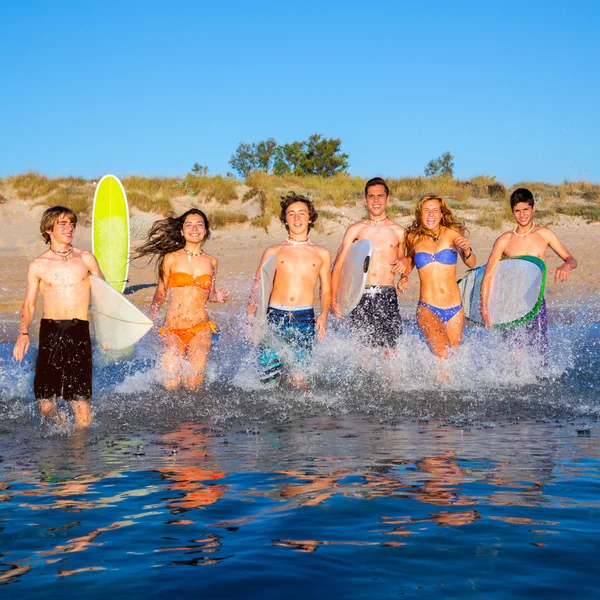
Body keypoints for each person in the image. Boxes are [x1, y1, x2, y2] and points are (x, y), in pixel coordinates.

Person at [13, 206, 105, 427]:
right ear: (48, 229)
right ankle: (58, 425)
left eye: (72, 223)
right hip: (51, 332)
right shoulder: (38, 265)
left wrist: (107, 333)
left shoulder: (86, 258)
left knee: (81, 403)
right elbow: (29, 303)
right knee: (45, 404)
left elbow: (105, 297)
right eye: (62, 223)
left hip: (79, 331)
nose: (69, 227)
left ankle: (81, 455)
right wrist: (23, 333)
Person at [133, 209, 227, 391]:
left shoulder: (211, 261)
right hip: (173, 329)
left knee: (193, 385)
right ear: (182, 231)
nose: (195, 228)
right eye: (189, 225)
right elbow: (161, 291)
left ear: (206, 231)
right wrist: (151, 314)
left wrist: (218, 297)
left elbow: (209, 294)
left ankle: (195, 419)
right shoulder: (171, 258)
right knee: (171, 383)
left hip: (201, 328)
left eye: (200, 224)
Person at [247, 192, 331, 389]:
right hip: (275, 316)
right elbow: (257, 287)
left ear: (310, 218)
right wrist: (251, 318)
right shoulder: (273, 251)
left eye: (302, 213)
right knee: (269, 379)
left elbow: (325, 289)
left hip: (304, 318)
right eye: (291, 213)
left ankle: (299, 420)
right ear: (285, 219)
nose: (297, 217)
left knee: (299, 379)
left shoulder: (322, 253)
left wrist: (324, 315)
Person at [481, 187, 577, 356]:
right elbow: (488, 275)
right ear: (512, 212)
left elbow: (571, 259)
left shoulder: (545, 235)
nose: (522, 214)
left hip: (535, 303)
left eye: (526, 209)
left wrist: (565, 266)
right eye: (517, 211)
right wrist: (484, 308)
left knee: (539, 355)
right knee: (513, 355)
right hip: (509, 303)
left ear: (533, 208)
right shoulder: (505, 240)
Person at [331, 177, 407, 351]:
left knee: (390, 351)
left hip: (387, 294)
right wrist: (334, 300)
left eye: (380, 196)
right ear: (365, 200)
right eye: (371, 196)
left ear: (388, 199)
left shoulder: (399, 231)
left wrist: (405, 266)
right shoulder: (356, 230)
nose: (376, 200)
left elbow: (408, 258)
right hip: (360, 295)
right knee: (361, 353)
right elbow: (339, 265)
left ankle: (390, 379)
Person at [403, 194, 476, 358]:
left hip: (455, 308)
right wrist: (404, 276)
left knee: (452, 361)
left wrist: (467, 250)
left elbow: (471, 263)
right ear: (420, 213)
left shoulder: (452, 233)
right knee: (443, 355)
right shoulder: (412, 236)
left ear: (442, 213)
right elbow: (409, 259)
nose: (430, 215)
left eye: (435, 210)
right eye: (426, 210)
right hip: (428, 307)